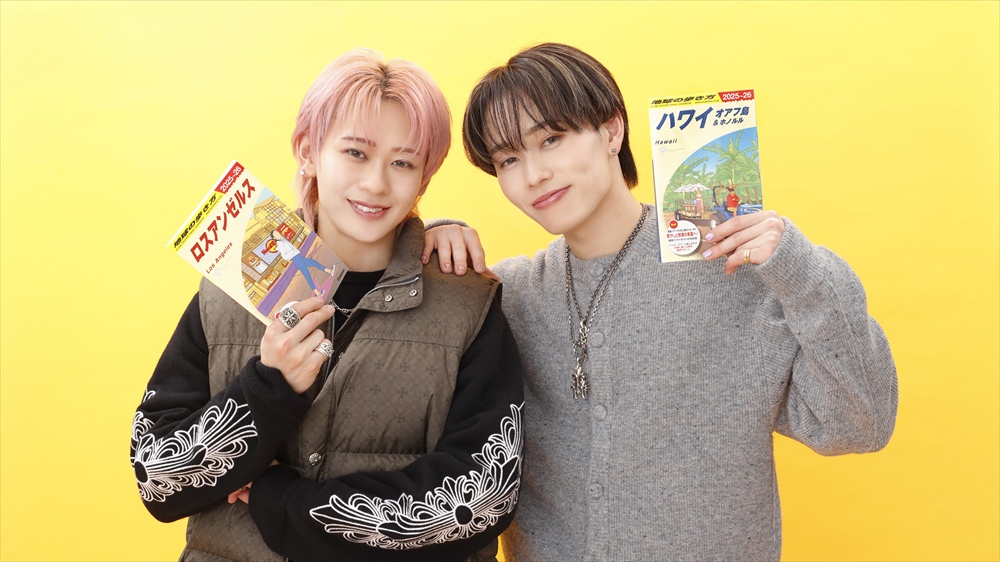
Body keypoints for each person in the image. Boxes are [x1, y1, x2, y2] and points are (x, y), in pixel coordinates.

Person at [424, 42, 897, 561]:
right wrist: (424, 240)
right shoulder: (509, 295)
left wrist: (800, 269)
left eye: (551, 139)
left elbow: (861, 424)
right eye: (508, 159)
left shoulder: (731, 271)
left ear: (611, 131)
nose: (533, 175)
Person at [131, 48, 524, 562]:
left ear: (424, 179)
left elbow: (481, 500)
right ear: (308, 151)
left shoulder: (468, 303)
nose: (376, 183)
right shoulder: (229, 288)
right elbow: (158, 479)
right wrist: (266, 389)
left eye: (403, 162)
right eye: (355, 153)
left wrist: (283, 502)